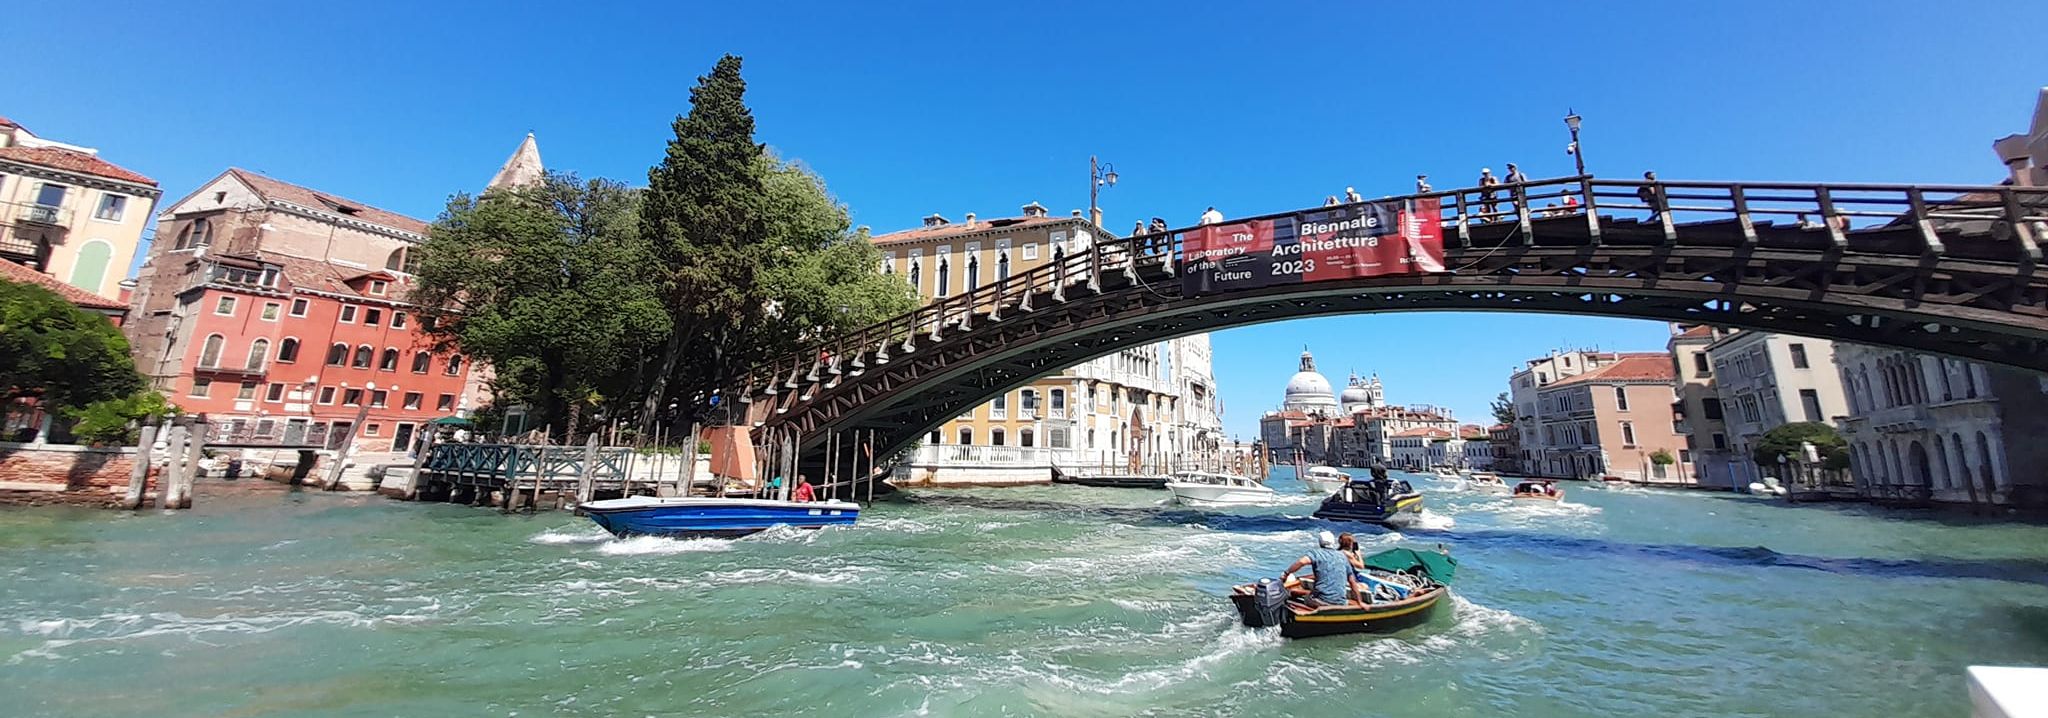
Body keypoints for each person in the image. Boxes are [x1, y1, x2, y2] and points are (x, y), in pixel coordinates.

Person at [1281, 530, 1361, 607]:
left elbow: (1301, 562)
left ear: (1320, 542)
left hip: (1321, 601)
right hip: (1340, 602)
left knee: (1304, 597)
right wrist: (1360, 602)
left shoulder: (1316, 554)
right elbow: (1352, 582)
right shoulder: (1343, 556)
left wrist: (1286, 573)